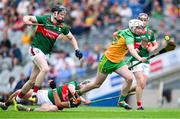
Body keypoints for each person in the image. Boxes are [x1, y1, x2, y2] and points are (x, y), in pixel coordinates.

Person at [15, 4, 83, 103]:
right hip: (36, 49)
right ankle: (34, 95)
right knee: (45, 68)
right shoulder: (44, 19)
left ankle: (16, 100)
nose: (63, 17)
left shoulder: (62, 27)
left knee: (31, 81)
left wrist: (77, 49)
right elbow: (28, 17)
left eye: (64, 15)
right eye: (61, 14)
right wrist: (26, 20)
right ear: (55, 13)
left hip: (45, 54)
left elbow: (72, 38)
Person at [76, 19, 147, 110]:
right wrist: (140, 58)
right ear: (132, 28)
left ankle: (121, 101)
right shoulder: (129, 37)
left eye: (141, 28)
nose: (140, 30)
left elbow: (115, 33)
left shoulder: (126, 31)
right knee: (97, 84)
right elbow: (131, 50)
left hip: (118, 61)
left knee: (129, 78)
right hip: (107, 61)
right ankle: (78, 93)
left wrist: (119, 45)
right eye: (138, 28)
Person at [127, 13, 158, 110]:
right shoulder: (133, 30)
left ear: (147, 21)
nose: (143, 22)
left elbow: (156, 44)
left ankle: (125, 91)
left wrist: (152, 48)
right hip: (135, 59)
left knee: (142, 85)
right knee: (140, 81)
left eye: (145, 20)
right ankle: (139, 105)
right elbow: (128, 46)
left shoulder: (150, 33)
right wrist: (134, 49)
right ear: (138, 20)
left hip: (146, 60)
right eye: (141, 20)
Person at [0, 80, 90, 112]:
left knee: (54, 109)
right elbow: (72, 89)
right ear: (81, 84)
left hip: (51, 104)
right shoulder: (73, 84)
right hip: (45, 95)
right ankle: (6, 104)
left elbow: (59, 104)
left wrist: (54, 89)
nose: (85, 89)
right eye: (85, 87)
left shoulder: (76, 103)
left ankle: (27, 109)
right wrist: (80, 98)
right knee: (19, 92)